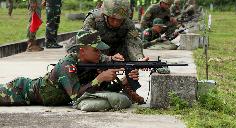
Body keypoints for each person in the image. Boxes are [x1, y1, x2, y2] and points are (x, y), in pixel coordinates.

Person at [0, 30, 140, 106]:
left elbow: (96, 91)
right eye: (96, 50)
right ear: (82, 51)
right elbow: (76, 96)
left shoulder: (93, 60)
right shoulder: (67, 65)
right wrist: (99, 78)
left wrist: (124, 80)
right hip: (20, 92)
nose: (100, 54)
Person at [81, 0, 147, 104]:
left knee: (133, 64)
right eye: (112, 18)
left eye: (120, 20)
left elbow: (134, 44)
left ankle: (128, 87)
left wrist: (139, 60)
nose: (116, 22)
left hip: (118, 54)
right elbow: (87, 47)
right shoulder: (93, 20)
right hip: (97, 53)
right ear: (105, 14)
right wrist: (107, 58)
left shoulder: (128, 24)